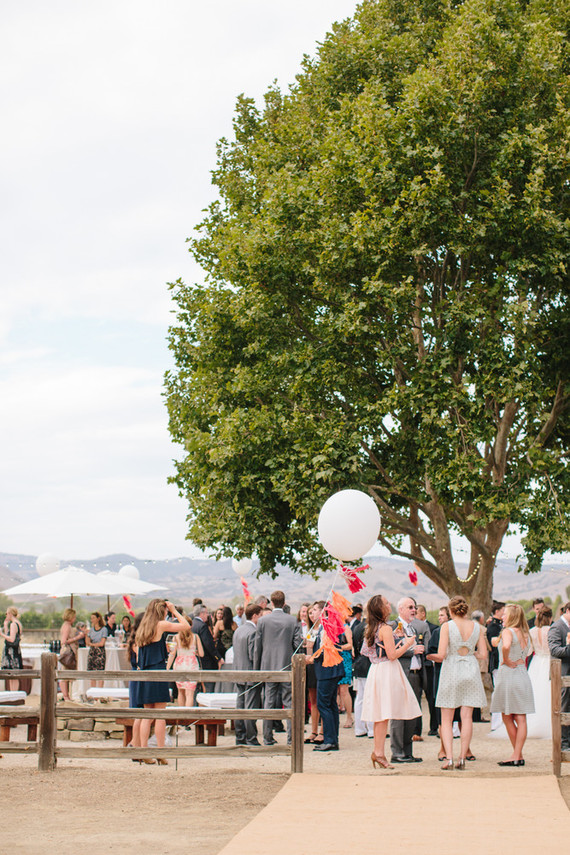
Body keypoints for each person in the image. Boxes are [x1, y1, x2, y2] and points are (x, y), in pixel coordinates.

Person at [361, 594, 421, 769]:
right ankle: (379, 753)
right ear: (381, 608)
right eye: (386, 603)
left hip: (377, 670)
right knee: (384, 714)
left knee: (380, 715)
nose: (389, 605)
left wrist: (395, 638)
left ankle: (378, 752)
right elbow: (392, 655)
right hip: (387, 671)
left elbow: (382, 649)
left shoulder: (374, 627)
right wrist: (408, 643)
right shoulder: (385, 628)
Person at [433, 595, 487, 769]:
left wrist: (429, 655)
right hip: (470, 669)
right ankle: (462, 758)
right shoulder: (477, 627)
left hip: (451, 669)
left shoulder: (447, 626)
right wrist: (470, 653)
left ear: (450, 611)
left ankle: (449, 758)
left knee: (446, 719)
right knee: (467, 717)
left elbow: (441, 654)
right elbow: (483, 654)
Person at [135, 599, 189, 765]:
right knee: (160, 715)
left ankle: (144, 751)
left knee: (147, 715)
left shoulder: (143, 627)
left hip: (145, 673)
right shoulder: (160, 625)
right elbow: (186, 625)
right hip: (157, 671)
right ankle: (160, 751)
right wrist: (174, 610)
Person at [253, 590, 303, 745]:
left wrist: (256, 668)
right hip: (287, 665)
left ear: (272, 603)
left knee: (268, 701)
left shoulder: (262, 621)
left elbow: (257, 647)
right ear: (284, 603)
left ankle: (267, 738)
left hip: (268, 666)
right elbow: (297, 645)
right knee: (289, 702)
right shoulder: (292, 621)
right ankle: (291, 739)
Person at [490, 603, 534, 765]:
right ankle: (518, 755)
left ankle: (516, 755)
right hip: (522, 674)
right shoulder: (525, 633)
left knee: (507, 716)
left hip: (509, 675)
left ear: (512, 616)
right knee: (521, 717)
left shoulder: (508, 631)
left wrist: (507, 659)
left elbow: (506, 646)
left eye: (505, 614)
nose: (502, 617)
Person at [388, 597, 425, 763]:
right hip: (400, 673)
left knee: (412, 714)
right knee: (398, 713)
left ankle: (407, 752)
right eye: (410, 607)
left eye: (414, 607)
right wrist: (412, 651)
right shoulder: (392, 626)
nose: (414, 610)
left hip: (415, 674)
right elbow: (390, 651)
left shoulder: (413, 628)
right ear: (401, 609)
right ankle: (397, 752)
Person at [305, 601, 345, 752]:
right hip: (328, 670)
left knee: (324, 704)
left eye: (315, 609)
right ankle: (332, 739)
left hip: (327, 670)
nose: (312, 612)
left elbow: (325, 650)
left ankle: (329, 740)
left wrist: (311, 658)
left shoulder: (326, 627)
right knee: (331, 705)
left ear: (323, 611)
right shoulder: (322, 627)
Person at [233, 603, 263, 746]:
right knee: (250, 707)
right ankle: (251, 738)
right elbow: (253, 656)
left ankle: (240, 737)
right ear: (255, 615)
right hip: (250, 674)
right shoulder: (253, 632)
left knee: (240, 706)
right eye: (261, 615)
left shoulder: (238, 630)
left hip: (238, 672)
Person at [526, 606, 552, 738]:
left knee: (535, 692)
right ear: (550, 618)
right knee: (549, 693)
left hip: (536, 663)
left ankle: (532, 723)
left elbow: (529, 651)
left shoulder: (532, 631)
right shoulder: (552, 630)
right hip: (549, 662)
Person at [549, 601, 570, 751]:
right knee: (563, 709)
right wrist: (569, 647)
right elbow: (555, 650)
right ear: (568, 611)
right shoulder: (557, 627)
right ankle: (564, 744)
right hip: (562, 674)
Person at [167, 620, 204, 707]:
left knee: (180, 692)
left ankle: (181, 714)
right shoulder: (195, 637)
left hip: (179, 664)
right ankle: (188, 714)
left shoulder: (176, 637)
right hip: (192, 664)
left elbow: (172, 654)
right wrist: (194, 652)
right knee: (190, 694)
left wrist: (167, 667)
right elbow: (202, 654)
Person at [192, 604, 222, 691]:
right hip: (206, 660)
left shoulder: (192, 624)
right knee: (209, 686)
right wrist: (218, 657)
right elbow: (209, 644)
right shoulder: (202, 626)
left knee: (195, 688)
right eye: (206, 613)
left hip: (194, 659)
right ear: (201, 614)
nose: (208, 615)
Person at [58, 607, 85, 701]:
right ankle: (66, 696)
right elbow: (63, 641)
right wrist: (78, 637)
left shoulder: (67, 625)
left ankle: (67, 695)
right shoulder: (67, 626)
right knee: (65, 674)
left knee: (68, 674)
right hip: (68, 652)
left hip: (70, 651)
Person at [1, 607, 23, 691]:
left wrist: (1, 634)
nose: (6, 615)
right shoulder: (18, 623)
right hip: (15, 651)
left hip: (12, 652)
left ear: (10, 614)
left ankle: (13, 692)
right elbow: (10, 635)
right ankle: (14, 692)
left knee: (12, 675)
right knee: (14, 676)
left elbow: (11, 639)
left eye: (6, 613)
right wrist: (5, 625)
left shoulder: (13, 624)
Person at [338, 622, 354, 728]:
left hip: (344, 660)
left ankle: (349, 717)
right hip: (333, 659)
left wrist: (339, 647)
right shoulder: (330, 626)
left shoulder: (345, 627)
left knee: (344, 690)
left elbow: (350, 645)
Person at [86, 612, 108, 689]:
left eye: (93, 618)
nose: (92, 620)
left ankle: (100, 689)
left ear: (98, 619)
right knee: (92, 673)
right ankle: (93, 689)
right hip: (92, 652)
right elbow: (87, 642)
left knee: (100, 671)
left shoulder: (104, 629)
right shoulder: (91, 630)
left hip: (100, 652)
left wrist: (92, 644)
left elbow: (102, 643)